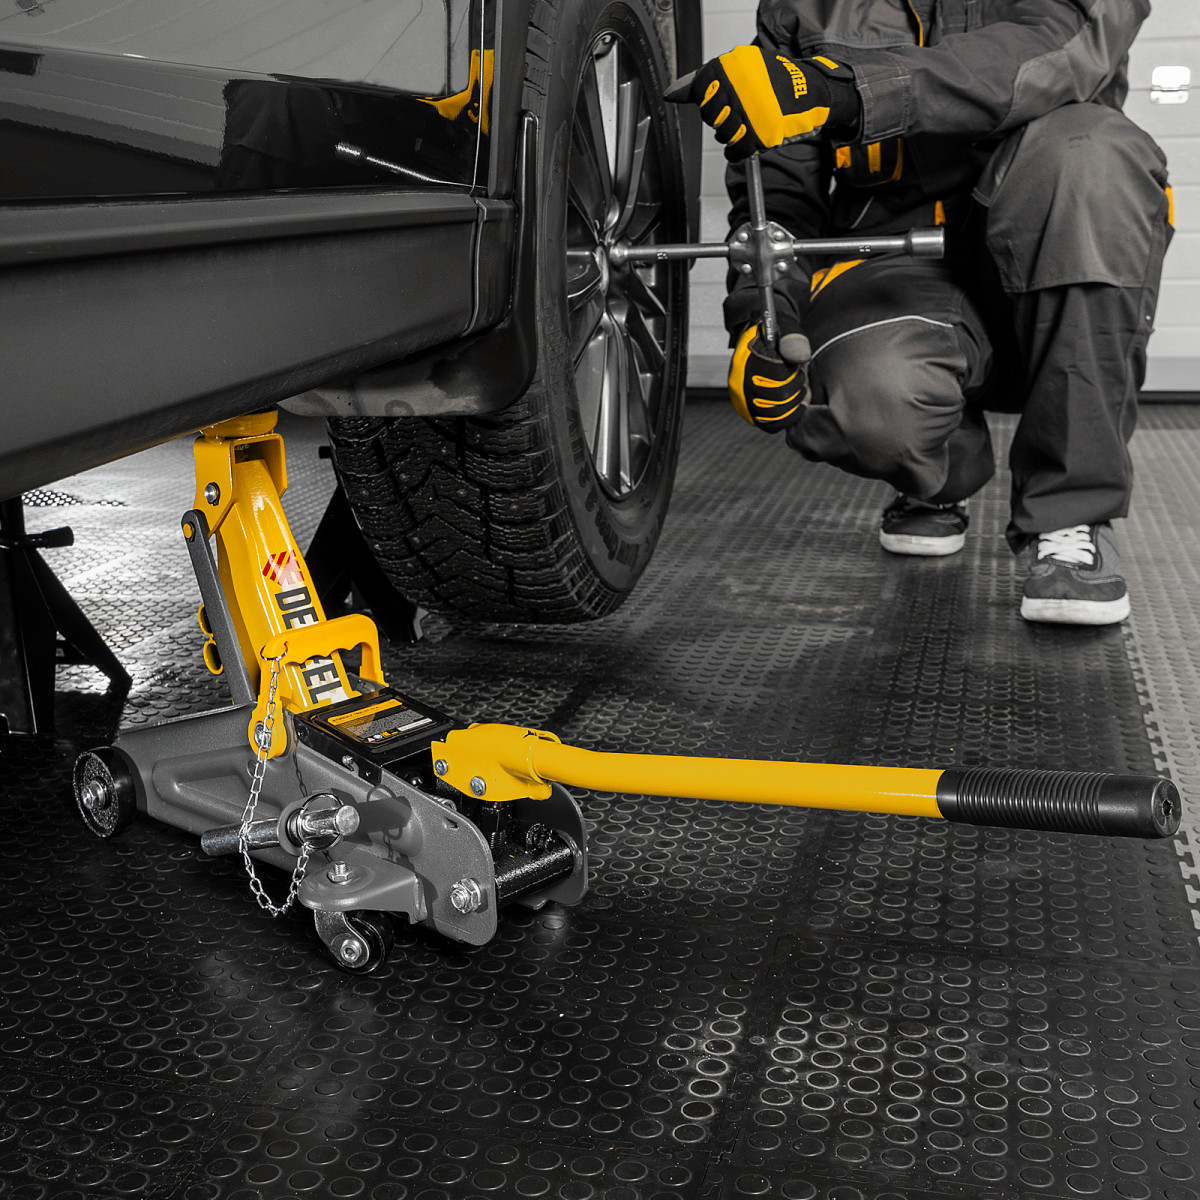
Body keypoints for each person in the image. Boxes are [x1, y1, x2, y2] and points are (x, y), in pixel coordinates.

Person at [673, 0, 1173, 625]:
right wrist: (763, 315)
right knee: (868, 406)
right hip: (897, 264)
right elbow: (778, 187)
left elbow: (1043, 52)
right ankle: (940, 473)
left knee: (1090, 154)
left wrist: (843, 90)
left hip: (1049, 251)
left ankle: (1072, 517)